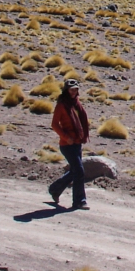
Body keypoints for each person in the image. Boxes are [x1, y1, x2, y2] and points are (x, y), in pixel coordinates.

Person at [49, 78, 90, 210]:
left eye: (76, 90)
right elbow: (54, 124)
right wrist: (66, 137)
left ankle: (55, 189)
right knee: (79, 171)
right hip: (67, 144)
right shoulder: (61, 105)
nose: (73, 92)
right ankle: (79, 201)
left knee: (74, 171)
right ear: (66, 90)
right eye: (71, 90)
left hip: (77, 142)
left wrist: (82, 135)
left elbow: (82, 119)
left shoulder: (76, 103)